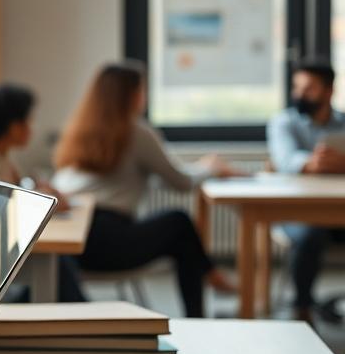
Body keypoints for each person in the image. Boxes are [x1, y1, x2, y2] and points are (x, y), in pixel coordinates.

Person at [52, 61, 240, 317]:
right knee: (179, 223)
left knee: (178, 228)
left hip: (73, 241)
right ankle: (200, 307)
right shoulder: (135, 132)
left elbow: (153, 176)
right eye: (142, 90)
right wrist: (210, 167)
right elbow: (181, 182)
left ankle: (210, 276)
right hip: (108, 240)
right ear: (132, 95)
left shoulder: (81, 129)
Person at [0, 82, 85, 302]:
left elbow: (22, 189)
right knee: (58, 265)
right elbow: (4, 212)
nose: (32, 128)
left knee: (61, 264)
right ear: (14, 126)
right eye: (29, 121)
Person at [266, 57, 345, 323]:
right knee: (310, 234)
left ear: (329, 91)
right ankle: (302, 309)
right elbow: (286, 160)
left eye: (309, 88)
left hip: (339, 213)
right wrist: (313, 163)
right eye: (296, 87)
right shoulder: (283, 123)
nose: (300, 94)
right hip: (295, 212)